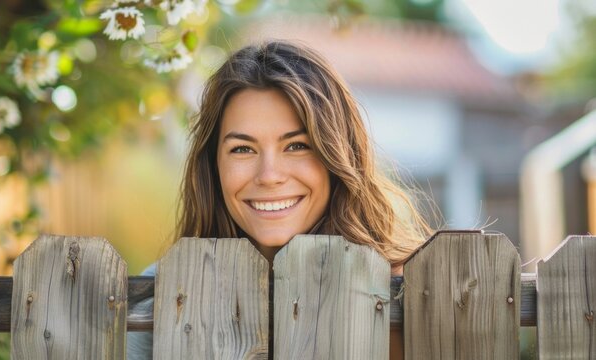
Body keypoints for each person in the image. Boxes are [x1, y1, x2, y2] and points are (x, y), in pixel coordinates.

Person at [128, 40, 433, 359]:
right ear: (213, 165)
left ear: (338, 158)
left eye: (297, 145)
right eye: (243, 149)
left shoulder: (405, 296)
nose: (269, 175)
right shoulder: (161, 293)